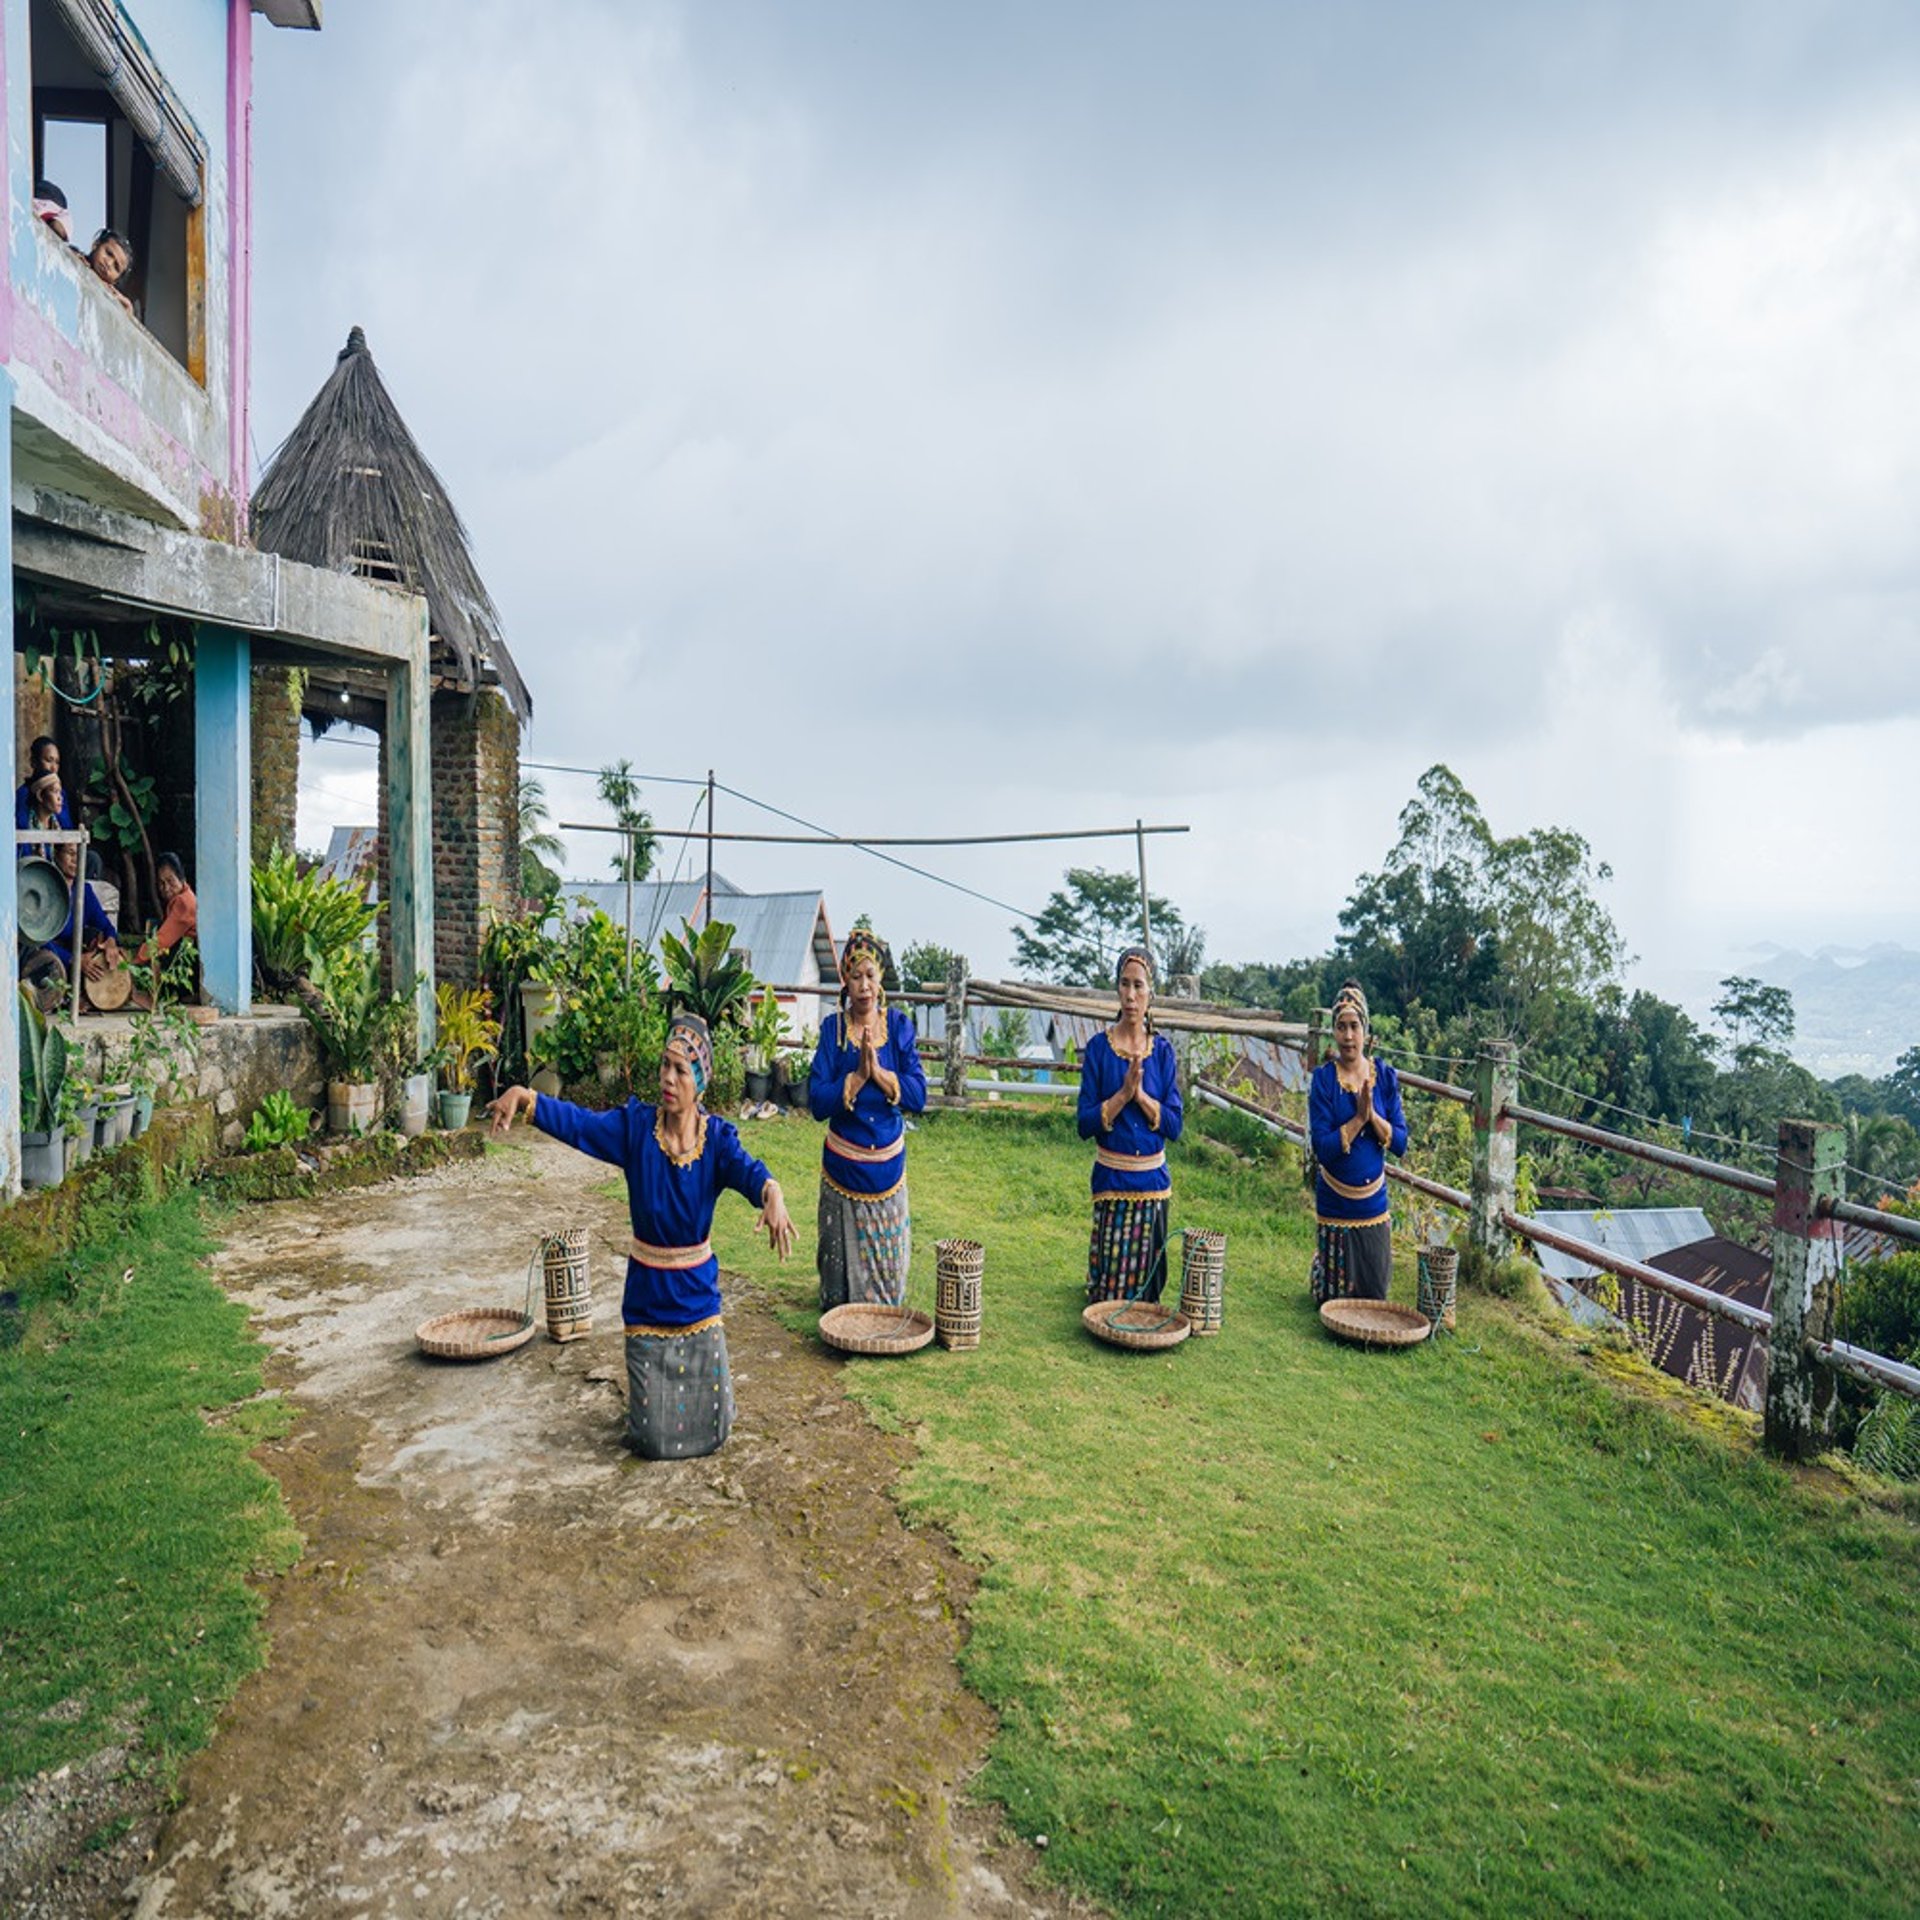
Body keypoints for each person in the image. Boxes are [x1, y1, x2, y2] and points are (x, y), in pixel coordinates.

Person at [487, 1011, 795, 1460]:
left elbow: (752, 1173)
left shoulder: (718, 1142)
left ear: (701, 1082)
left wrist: (773, 1192)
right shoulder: (635, 1130)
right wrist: (527, 1099)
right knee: (651, 1440)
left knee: (716, 1427)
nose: (667, 1078)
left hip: (697, 1301)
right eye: (664, 1066)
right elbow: (581, 1124)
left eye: (680, 1070)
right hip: (648, 1302)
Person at [806, 928, 927, 1309]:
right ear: (845, 981)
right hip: (842, 1170)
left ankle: (881, 1307)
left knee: (888, 1285)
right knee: (838, 1284)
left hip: (887, 1170)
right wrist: (856, 1079)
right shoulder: (833, 1031)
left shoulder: (900, 1028)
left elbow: (918, 1095)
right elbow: (816, 1101)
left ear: (881, 979)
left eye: (870, 976)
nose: (864, 986)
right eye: (856, 976)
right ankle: (840, 1309)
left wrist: (880, 1075)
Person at [1076, 946, 1183, 1302]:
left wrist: (1141, 1097)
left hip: (1152, 1181)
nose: (1131, 995)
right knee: (1109, 1295)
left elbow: (1175, 1125)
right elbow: (1085, 1123)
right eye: (1125, 984)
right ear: (1117, 989)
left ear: (1151, 993)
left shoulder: (1163, 1053)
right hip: (1113, 1179)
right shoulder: (1098, 1050)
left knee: (1147, 1296)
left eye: (1139, 985)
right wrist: (1122, 1095)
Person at [1307, 981, 1409, 1304]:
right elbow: (1323, 1149)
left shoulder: (1386, 1077)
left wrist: (1372, 1118)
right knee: (1333, 1302)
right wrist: (1355, 1122)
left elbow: (1402, 1144)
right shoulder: (1324, 1080)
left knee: (1374, 1297)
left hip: (1373, 1207)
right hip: (1335, 1205)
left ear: (1366, 1030)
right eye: (1341, 1027)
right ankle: (1319, 1272)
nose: (1348, 1036)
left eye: (1354, 1026)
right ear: (1333, 1032)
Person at [40, 839, 120, 982]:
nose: (76, 860)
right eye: (70, 853)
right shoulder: (45, 891)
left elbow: (106, 926)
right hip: (48, 963)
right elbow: (40, 941)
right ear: (56, 854)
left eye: (80, 854)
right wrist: (73, 960)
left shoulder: (84, 891)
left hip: (76, 963)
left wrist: (111, 941)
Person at [15, 738, 73, 832]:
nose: (54, 768)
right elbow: (22, 833)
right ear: (34, 762)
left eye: (57, 762)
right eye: (49, 760)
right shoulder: (23, 795)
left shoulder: (61, 795)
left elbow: (67, 828)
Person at [86, 229, 135, 313]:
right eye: (108, 253)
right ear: (96, 245)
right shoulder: (70, 259)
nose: (108, 263)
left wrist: (127, 315)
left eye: (116, 267)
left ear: (116, 281)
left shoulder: (110, 304)